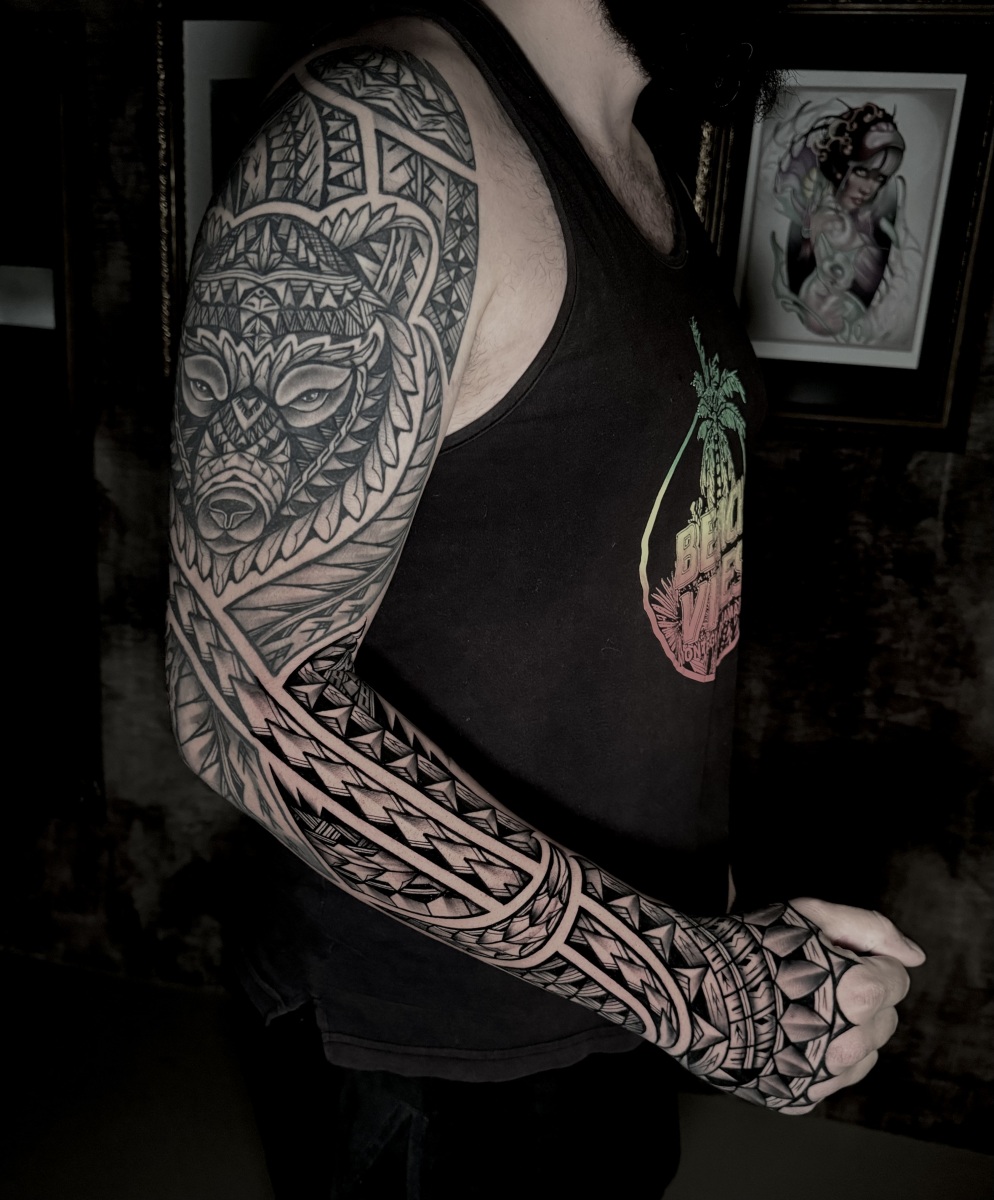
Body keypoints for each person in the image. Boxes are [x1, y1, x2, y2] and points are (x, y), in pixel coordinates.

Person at [166, 2, 925, 1195]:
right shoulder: (383, 132)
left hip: (620, 994)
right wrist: (695, 986)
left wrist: (717, 947)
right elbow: (242, 700)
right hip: (431, 1050)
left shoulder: (637, 162)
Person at [773, 100, 907, 339]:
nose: (868, 188)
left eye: (879, 178)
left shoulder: (873, 229)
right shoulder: (810, 209)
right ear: (841, 166)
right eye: (862, 172)